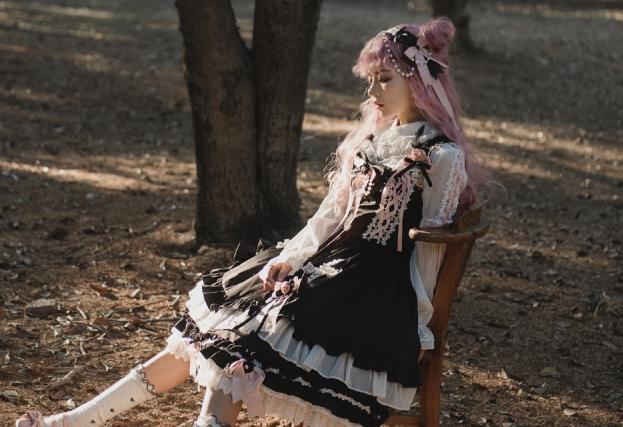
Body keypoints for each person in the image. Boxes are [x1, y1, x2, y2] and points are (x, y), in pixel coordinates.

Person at [16, 16, 497, 427]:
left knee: (239, 342)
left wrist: (420, 325)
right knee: (217, 333)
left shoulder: (441, 156)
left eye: (384, 79)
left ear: (418, 82)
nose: (372, 92)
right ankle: (74, 420)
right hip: (327, 269)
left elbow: (431, 248)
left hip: (372, 291)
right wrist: (290, 258)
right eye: (369, 80)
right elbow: (330, 216)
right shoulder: (374, 141)